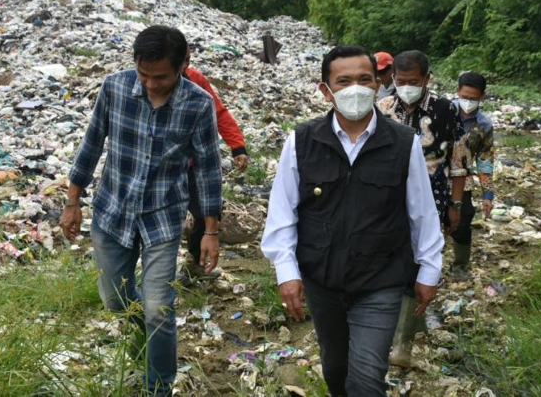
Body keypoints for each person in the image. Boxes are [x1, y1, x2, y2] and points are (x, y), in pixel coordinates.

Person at [261, 45, 443, 397]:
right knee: (335, 369)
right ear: (325, 90)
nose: (354, 88)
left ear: (377, 84)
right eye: (342, 81)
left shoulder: (404, 144)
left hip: (381, 279)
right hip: (322, 280)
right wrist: (287, 272)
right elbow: (282, 212)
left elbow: (422, 213)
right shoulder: (302, 141)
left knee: (366, 379)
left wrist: (429, 270)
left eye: (363, 79)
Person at [61, 25, 224, 396]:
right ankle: (148, 348)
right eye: (143, 74)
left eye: (161, 77)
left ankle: (158, 386)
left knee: (158, 309)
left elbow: (210, 169)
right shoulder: (115, 88)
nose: (151, 84)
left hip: (162, 217)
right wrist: (73, 202)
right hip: (112, 211)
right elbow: (91, 143)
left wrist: (211, 231)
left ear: (185, 64)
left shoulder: (198, 104)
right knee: (117, 302)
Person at [377, 50, 469, 368]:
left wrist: (456, 205)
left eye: (412, 82)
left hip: (434, 197)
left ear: (426, 79)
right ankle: (381, 332)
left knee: (420, 265)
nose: (405, 87)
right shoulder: (382, 108)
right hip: (388, 200)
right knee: (386, 263)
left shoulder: (446, 110)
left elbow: (458, 162)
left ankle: (404, 344)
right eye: (400, 81)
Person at [182, 47, 248, 279]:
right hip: (161, 167)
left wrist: (237, 146)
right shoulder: (148, 82)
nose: (183, 66)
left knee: (206, 211)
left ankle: (194, 262)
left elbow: (217, 112)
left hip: (192, 163)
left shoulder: (195, 80)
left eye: (187, 61)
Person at [450, 71, 495, 279]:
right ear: (458, 91)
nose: (468, 102)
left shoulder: (484, 125)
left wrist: (488, 196)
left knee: (463, 219)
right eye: (464, 97)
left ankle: (460, 265)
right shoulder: (442, 112)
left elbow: (485, 161)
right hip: (434, 174)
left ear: (482, 97)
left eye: (473, 98)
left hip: (464, 181)